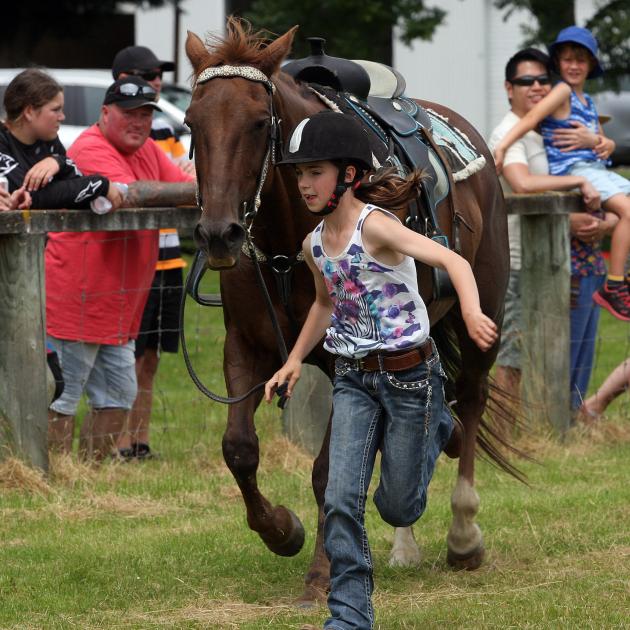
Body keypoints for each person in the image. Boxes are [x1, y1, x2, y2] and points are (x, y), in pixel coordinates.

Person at [264, 111, 498, 630]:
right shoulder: (312, 244)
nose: (303, 183)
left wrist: (472, 311)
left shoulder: (379, 227)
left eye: (315, 172)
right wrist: (295, 359)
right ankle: (349, 616)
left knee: (398, 508)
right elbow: (325, 304)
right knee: (341, 498)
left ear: (347, 175)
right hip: (353, 380)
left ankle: (439, 420)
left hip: (411, 378)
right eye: (299, 174)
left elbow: (455, 263)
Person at [46, 76, 195, 460]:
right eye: (129, 114)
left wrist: (195, 187)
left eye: (146, 114)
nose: (139, 122)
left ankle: (88, 473)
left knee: (118, 393)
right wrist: (209, 189)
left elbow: (177, 187)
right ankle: (55, 477)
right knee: (63, 393)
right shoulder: (91, 147)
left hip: (121, 304)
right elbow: (130, 196)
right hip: (79, 296)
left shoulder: (146, 149)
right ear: (105, 113)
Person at [488, 48, 618, 415]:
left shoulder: (543, 130)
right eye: (526, 81)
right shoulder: (506, 133)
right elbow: (522, 183)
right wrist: (577, 183)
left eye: (544, 79)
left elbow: (584, 169)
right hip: (515, 259)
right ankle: (500, 436)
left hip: (548, 259)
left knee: (546, 350)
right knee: (512, 358)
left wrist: (599, 143)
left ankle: (542, 428)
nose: (537, 87)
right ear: (508, 88)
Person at [492, 26, 630, 322]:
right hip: (576, 169)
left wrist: (604, 142)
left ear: (591, 64)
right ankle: (615, 284)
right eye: (568, 60)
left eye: (581, 60)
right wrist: (502, 146)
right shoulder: (562, 91)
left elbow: (602, 142)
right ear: (559, 63)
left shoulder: (588, 102)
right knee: (627, 210)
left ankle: (621, 278)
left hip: (594, 167)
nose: (575, 66)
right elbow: (531, 119)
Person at [110, 45, 195, 460]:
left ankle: (140, 439)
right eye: (148, 75)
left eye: (159, 75)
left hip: (170, 257)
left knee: (152, 356)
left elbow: (184, 183)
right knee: (127, 353)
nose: (157, 82)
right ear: (123, 77)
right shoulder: (130, 133)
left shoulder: (164, 126)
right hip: (135, 260)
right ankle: (118, 439)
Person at [0, 69, 121, 211]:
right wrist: (101, 184)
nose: (62, 117)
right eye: (56, 110)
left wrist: (59, 162)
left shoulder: (48, 142)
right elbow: (33, 197)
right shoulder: (3, 141)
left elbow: (77, 190)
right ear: (29, 112)